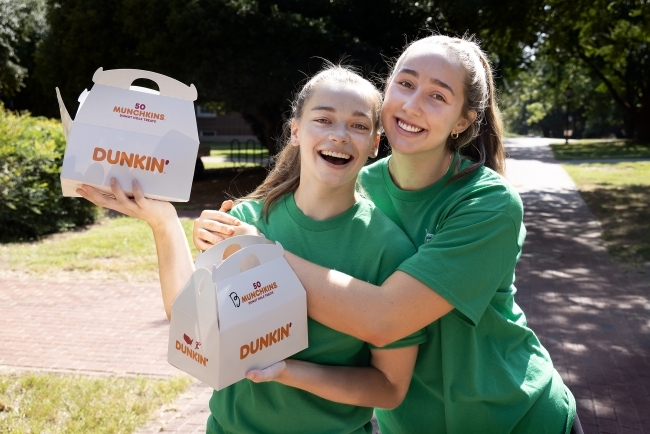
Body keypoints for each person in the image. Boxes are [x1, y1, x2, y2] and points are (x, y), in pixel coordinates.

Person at [194, 35, 581, 434]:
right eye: (406, 83)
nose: (412, 105)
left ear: (463, 121)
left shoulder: (488, 203)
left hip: (515, 420)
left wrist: (258, 251)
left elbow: (384, 319)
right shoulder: (358, 185)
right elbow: (283, 214)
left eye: (437, 96)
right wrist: (218, 232)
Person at [77, 64, 426, 434]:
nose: (340, 135)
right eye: (323, 120)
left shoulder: (390, 249)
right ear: (295, 131)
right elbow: (191, 327)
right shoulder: (243, 221)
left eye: (358, 125)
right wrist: (164, 223)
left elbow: (388, 388)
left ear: (375, 142)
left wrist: (287, 371)